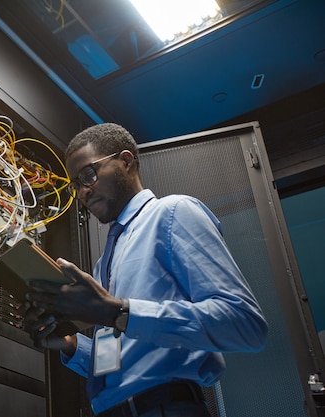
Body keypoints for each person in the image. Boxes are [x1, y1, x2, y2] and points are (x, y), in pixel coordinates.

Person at [23, 123, 268, 417]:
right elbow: (118, 362)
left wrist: (119, 313)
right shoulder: (105, 264)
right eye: (77, 185)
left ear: (125, 161)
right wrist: (72, 346)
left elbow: (246, 325)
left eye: (89, 174)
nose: (83, 192)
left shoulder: (173, 213)